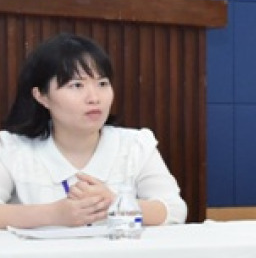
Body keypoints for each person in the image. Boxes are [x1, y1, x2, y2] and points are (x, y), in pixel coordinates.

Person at [0, 33, 187, 229]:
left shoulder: (135, 145)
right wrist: (53, 215)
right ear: (42, 96)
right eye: (77, 85)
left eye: (102, 84)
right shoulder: (10, 148)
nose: (94, 98)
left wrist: (116, 204)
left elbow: (174, 210)